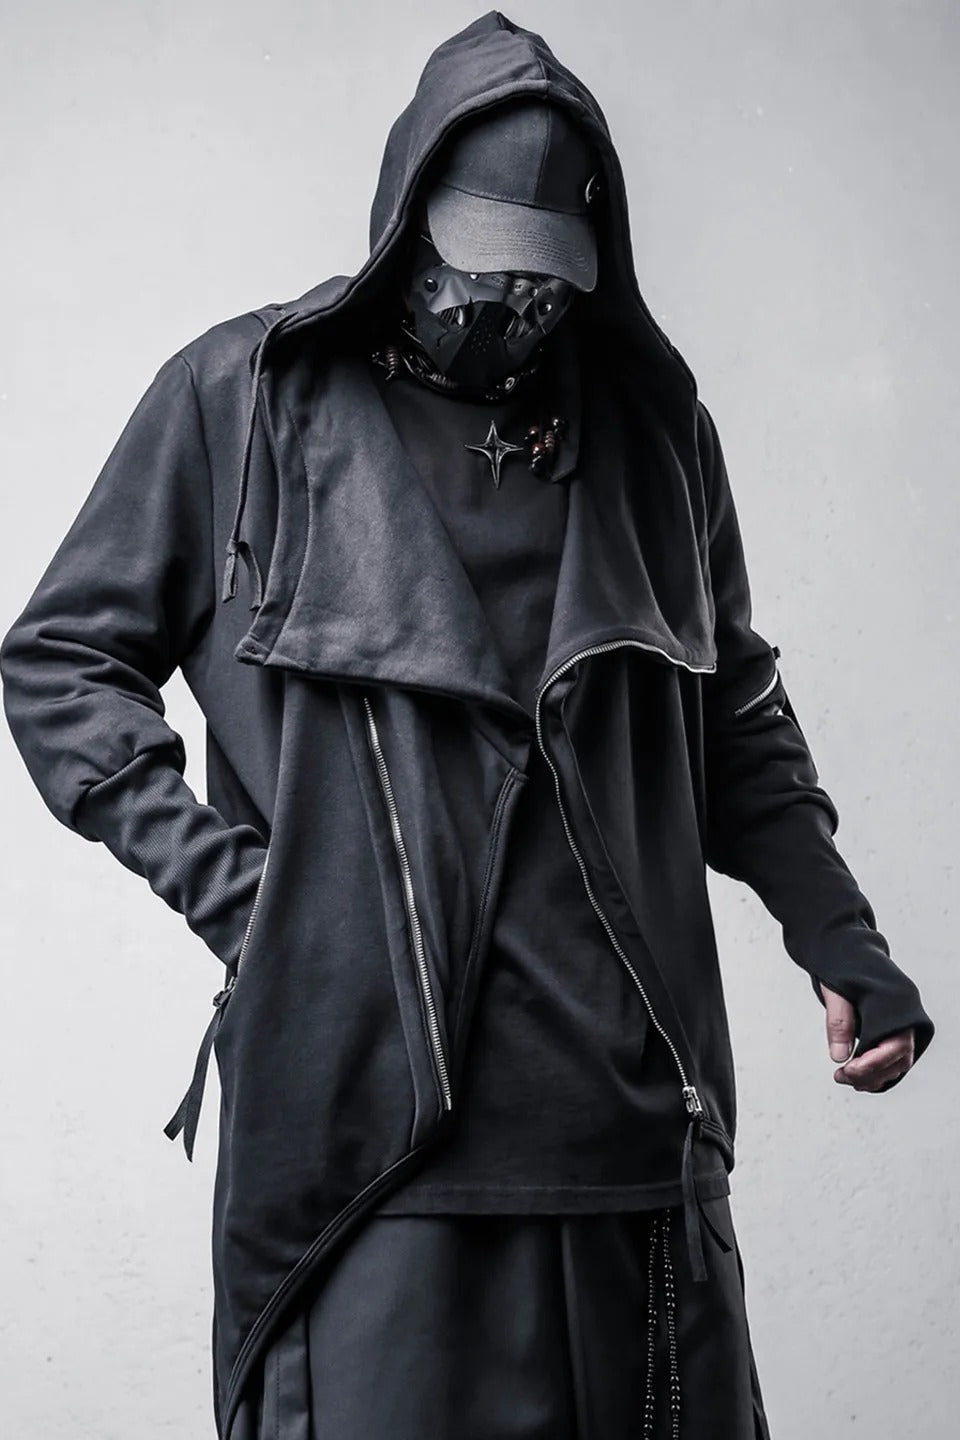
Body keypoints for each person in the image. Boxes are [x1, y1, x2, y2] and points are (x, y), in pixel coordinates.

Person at [0, 12, 934, 1440]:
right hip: (368, 1159)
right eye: (480, 265)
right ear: (407, 221)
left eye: (545, 275)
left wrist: (842, 938)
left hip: (638, 1152)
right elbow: (62, 660)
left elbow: (736, 714)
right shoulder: (243, 403)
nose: (510, 303)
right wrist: (256, 903)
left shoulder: (654, 434)